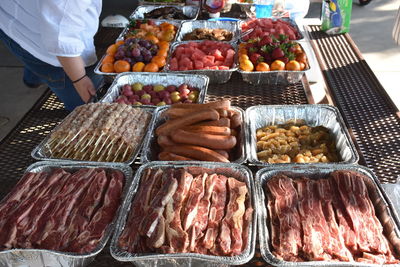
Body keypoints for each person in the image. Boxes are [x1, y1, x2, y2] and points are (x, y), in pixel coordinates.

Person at [0, 0, 104, 111]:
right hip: (39, 37)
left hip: (20, 14)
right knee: (92, 107)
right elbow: (61, 38)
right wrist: (79, 79)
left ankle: (32, 78)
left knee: (33, 61)